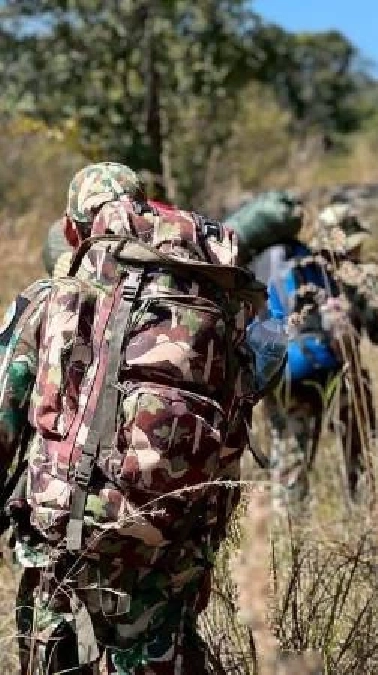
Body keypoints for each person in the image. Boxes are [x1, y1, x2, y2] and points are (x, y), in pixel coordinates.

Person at [0, 162, 273, 673]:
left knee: (56, 645)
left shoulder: (48, 300)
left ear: (72, 229)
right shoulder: (203, 300)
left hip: (70, 534)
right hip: (174, 532)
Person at [255, 203, 378, 515]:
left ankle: (285, 538)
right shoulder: (354, 275)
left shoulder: (291, 266)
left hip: (282, 372)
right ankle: (363, 512)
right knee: (361, 451)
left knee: (289, 463)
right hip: (338, 377)